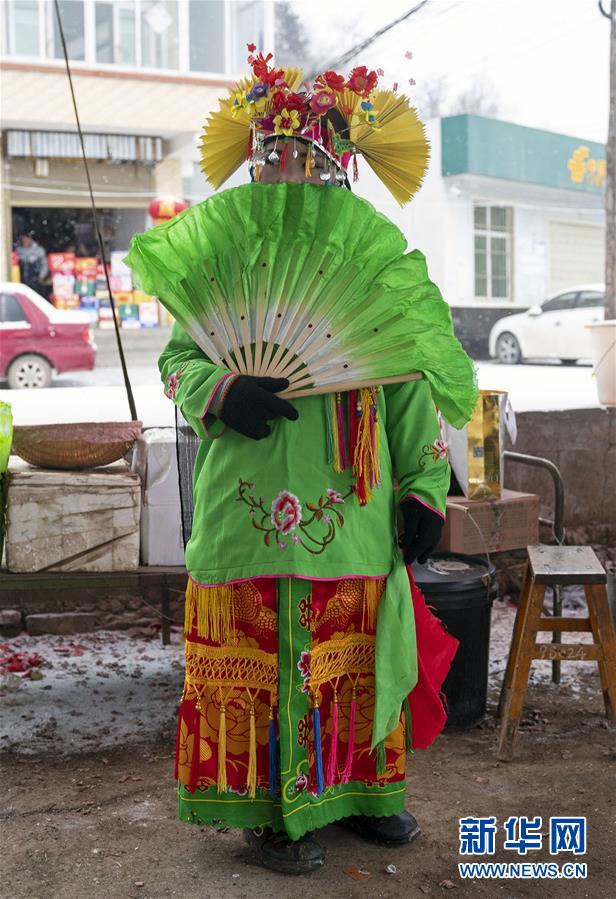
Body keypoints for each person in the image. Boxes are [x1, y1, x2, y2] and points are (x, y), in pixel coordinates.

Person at [127, 48, 478, 876]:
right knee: (263, 667)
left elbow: (408, 389)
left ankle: (364, 796)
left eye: (306, 161)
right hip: (246, 509)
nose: (288, 175)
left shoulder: (368, 271)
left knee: (352, 658)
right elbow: (176, 365)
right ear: (256, 165)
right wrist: (220, 390)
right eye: (274, 159)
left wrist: (424, 488)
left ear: (337, 169)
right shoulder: (221, 265)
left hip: (351, 512)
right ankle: (273, 816)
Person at [15, 232, 50, 299]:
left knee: (35, 298)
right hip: (23, 280)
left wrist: (41, 276)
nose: (24, 241)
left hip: (35, 280)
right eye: (23, 240)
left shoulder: (39, 250)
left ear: (30, 239)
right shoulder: (19, 250)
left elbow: (45, 265)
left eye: (26, 239)